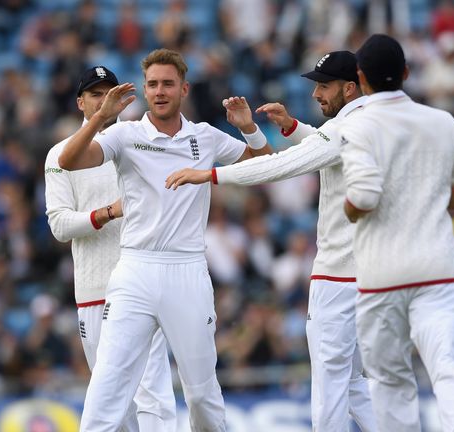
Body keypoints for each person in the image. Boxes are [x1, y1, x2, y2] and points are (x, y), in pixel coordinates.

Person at [58, 48, 273, 431]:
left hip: (187, 269)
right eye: (153, 84)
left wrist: (249, 128)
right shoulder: (125, 134)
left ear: (184, 89)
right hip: (135, 270)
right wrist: (100, 120)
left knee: (202, 396)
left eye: (168, 84)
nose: (159, 91)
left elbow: (266, 166)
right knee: (107, 386)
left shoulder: (205, 137)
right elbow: (69, 160)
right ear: (144, 89)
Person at [165, 51, 377, 431]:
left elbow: (281, 166)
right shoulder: (368, 122)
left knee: (330, 380)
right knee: (353, 380)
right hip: (367, 272)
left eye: (323, 86)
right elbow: (329, 147)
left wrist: (211, 176)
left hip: (338, 278)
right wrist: (293, 126)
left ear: (349, 88)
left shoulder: (344, 128)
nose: (315, 94)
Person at [339, 34, 454, 431]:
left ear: (360, 77)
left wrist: (349, 207)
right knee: (447, 374)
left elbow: (364, 195)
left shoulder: (358, 124)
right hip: (438, 272)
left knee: (390, 383)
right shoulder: (441, 120)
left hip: (381, 279)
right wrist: (430, 195)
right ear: (406, 73)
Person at [44, 66, 177, 431]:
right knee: (113, 402)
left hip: (142, 285)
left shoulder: (140, 142)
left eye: (109, 93)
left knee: (154, 396)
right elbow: (59, 225)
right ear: (80, 103)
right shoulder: (60, 155)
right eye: (95, 95)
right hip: (94, 292)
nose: (104, 101)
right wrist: (107, 213)